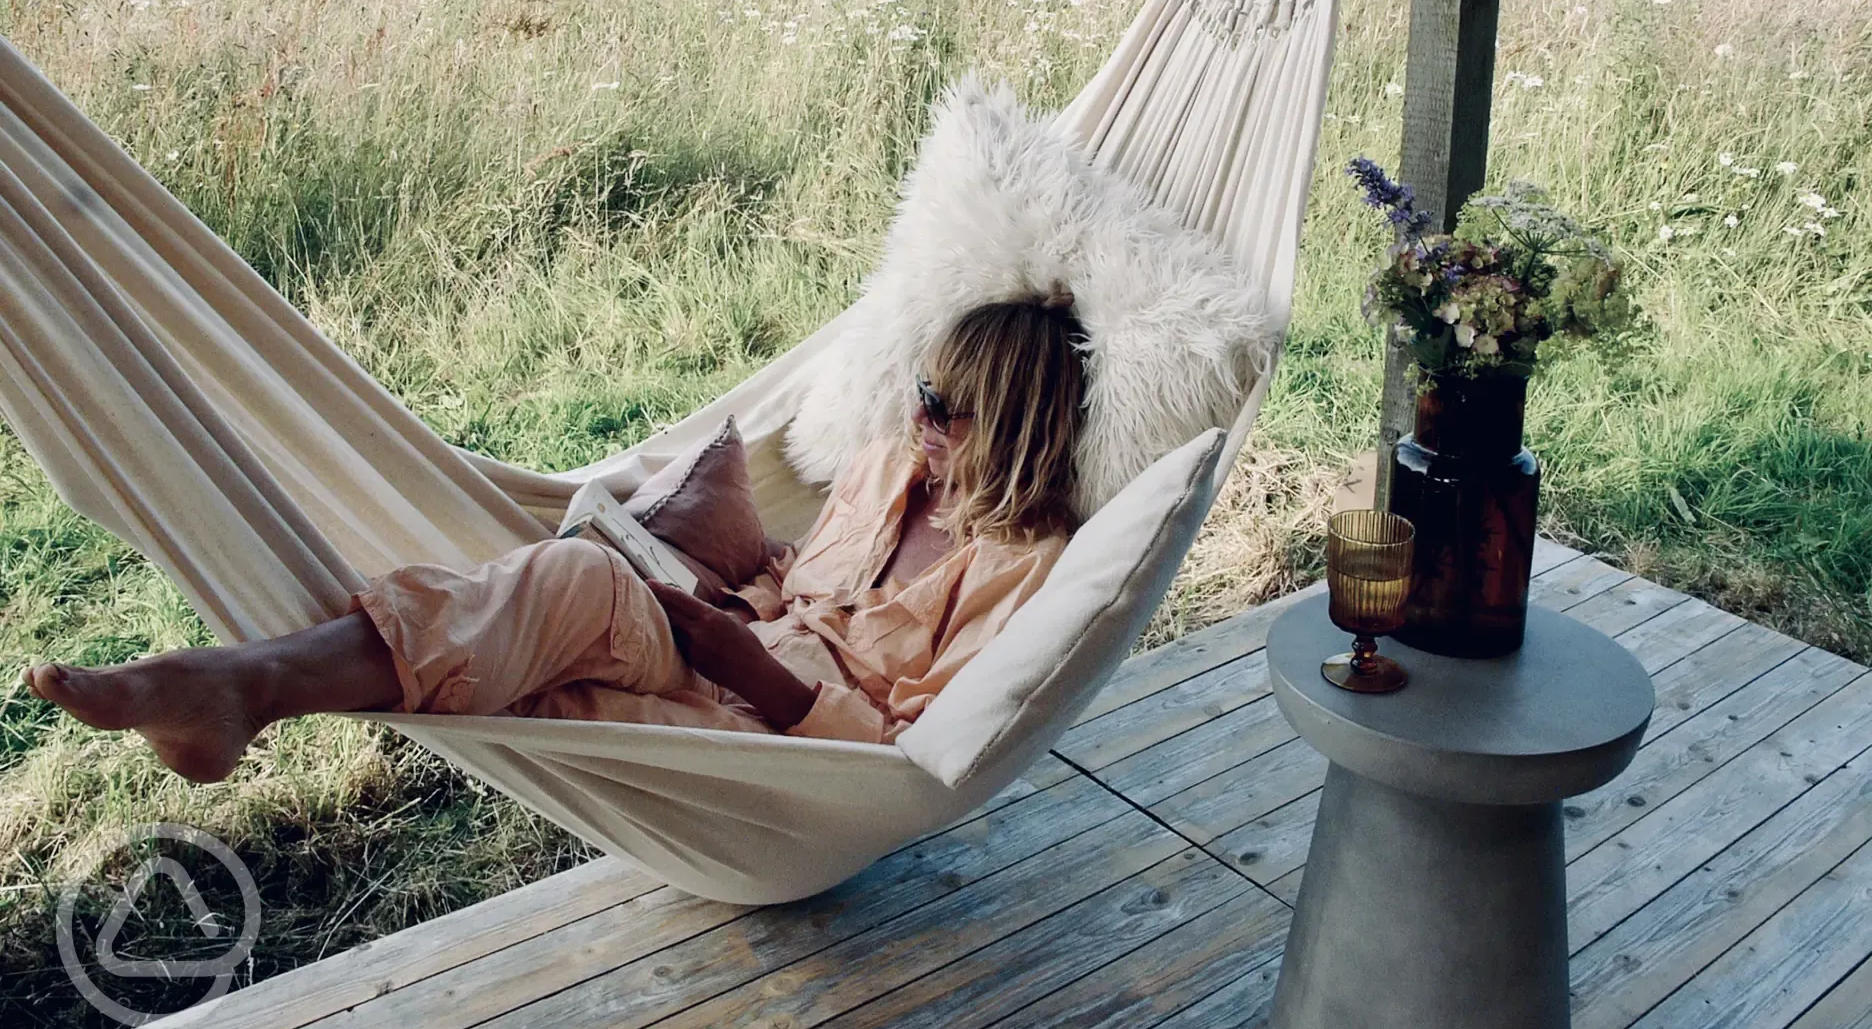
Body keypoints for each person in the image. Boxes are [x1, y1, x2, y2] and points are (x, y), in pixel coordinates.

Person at [23, 295, 1088, 783]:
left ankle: (240, 694)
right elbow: (793, 582)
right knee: (574, 573)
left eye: (946, 404)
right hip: (721, 652)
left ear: (1016, 427)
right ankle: (237, 687)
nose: (917, 413)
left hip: (792, 753)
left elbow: (912, 754)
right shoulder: (885, 467)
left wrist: (748, 668)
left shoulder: (1030, 568)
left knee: (544, 704)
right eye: (920, 385)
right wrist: (726, 607)